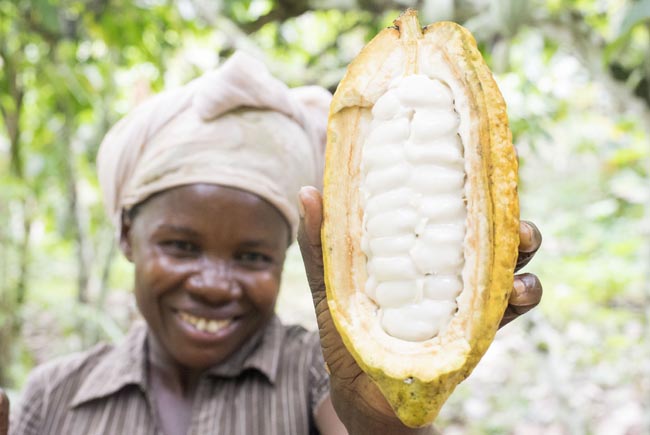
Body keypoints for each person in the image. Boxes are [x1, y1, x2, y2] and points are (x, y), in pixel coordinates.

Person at [3, 52, 542, 435]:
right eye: (182, 247)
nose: (214, 285)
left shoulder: (317, 375)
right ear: (126, 235)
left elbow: (362, 419)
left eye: (252, 256)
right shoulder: (54, 396)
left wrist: (382, 417)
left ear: (288, 253)